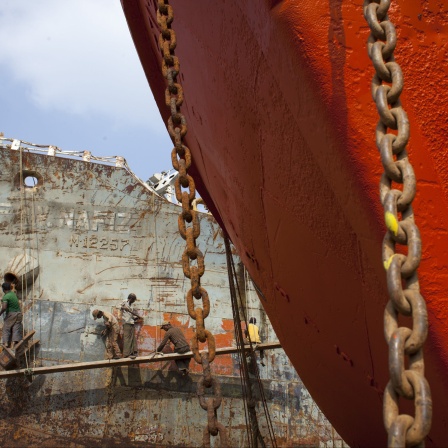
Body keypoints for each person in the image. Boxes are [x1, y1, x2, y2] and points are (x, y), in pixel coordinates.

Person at [0, 282, 23, 350]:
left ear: (3, 289)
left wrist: (0, 313)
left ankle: (5, 344)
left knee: (6, 328)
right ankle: (13, 346)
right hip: (19, 314)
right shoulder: (13, 294)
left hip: (12, 314)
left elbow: (4, 307)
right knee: (15, 329)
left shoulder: (6, 296)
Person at [120, 293, 141, 359]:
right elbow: (119, 307)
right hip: (126, 322)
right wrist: (123, 307)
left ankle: (132, 352)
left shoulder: (131, 306)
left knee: (132, 338)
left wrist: (136, 317)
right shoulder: (124, 301)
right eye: (133, 300)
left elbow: (132, 315)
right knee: (127, 338)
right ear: (131, 299)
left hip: (131, 322)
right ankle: (126, 354)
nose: (134, 301)